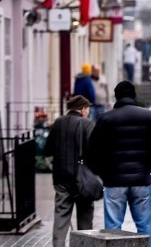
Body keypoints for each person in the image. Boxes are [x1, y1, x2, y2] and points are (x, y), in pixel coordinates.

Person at [86, 81, 151, 247]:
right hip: (141, 181)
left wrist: (102, 172)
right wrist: (149, 167)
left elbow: (93, 149)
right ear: (134, 95)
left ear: (116, 96)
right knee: (145, 227)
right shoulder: (149, 117)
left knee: (113, 229)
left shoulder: (106, 119)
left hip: (114, 182)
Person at [44, 95, 95, 247]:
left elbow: (48, 150)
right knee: (85, 217)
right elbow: (94, 152)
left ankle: (58, 244)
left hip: (60, 178)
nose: (88, 111)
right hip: (82, 179)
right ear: (83, 109)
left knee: (61, 217)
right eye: (87, 108)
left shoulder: (58, 123)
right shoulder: (87, 124)